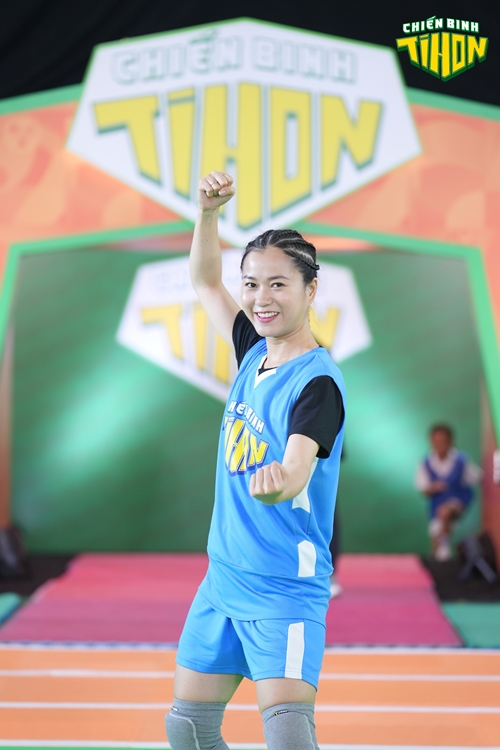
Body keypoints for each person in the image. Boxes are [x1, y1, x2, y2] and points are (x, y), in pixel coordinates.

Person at [165, 171, 346, 750]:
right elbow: (203, 281)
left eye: (278, 284)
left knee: (288, 737)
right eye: (251, 284)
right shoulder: (253, 352)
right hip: (223, 578)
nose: (261, 298)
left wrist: (280, 483)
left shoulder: (318, 384)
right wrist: (207, 214)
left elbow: (297, 466)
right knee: (188, 729)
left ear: (310, 290)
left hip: (282, 588)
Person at [415, 423, 482, 561]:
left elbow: (478, 478)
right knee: (436, 534)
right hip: (436, 505)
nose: (440, 444)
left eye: (443, 440)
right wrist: (434, 488)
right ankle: (441, 559)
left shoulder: (461, 460)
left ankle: (444, 548)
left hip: (459, 500)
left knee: (445, 512)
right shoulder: (426, 463)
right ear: (431, 441)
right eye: (437, 441)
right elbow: (422, 489)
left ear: (450, 441)